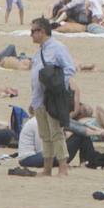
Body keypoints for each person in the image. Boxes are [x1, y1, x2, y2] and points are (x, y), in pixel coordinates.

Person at [29, 17, 76, 177]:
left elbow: (70, 68)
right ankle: (47, 167)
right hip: (39, 99)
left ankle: (63, 167)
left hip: (52, 97)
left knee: (56, 132)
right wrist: (33, 102)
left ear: (42, 31)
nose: (31, 35)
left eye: (33, 32)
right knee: (45, 135)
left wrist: (57, 85)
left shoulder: (58, 48)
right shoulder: (39, 52)